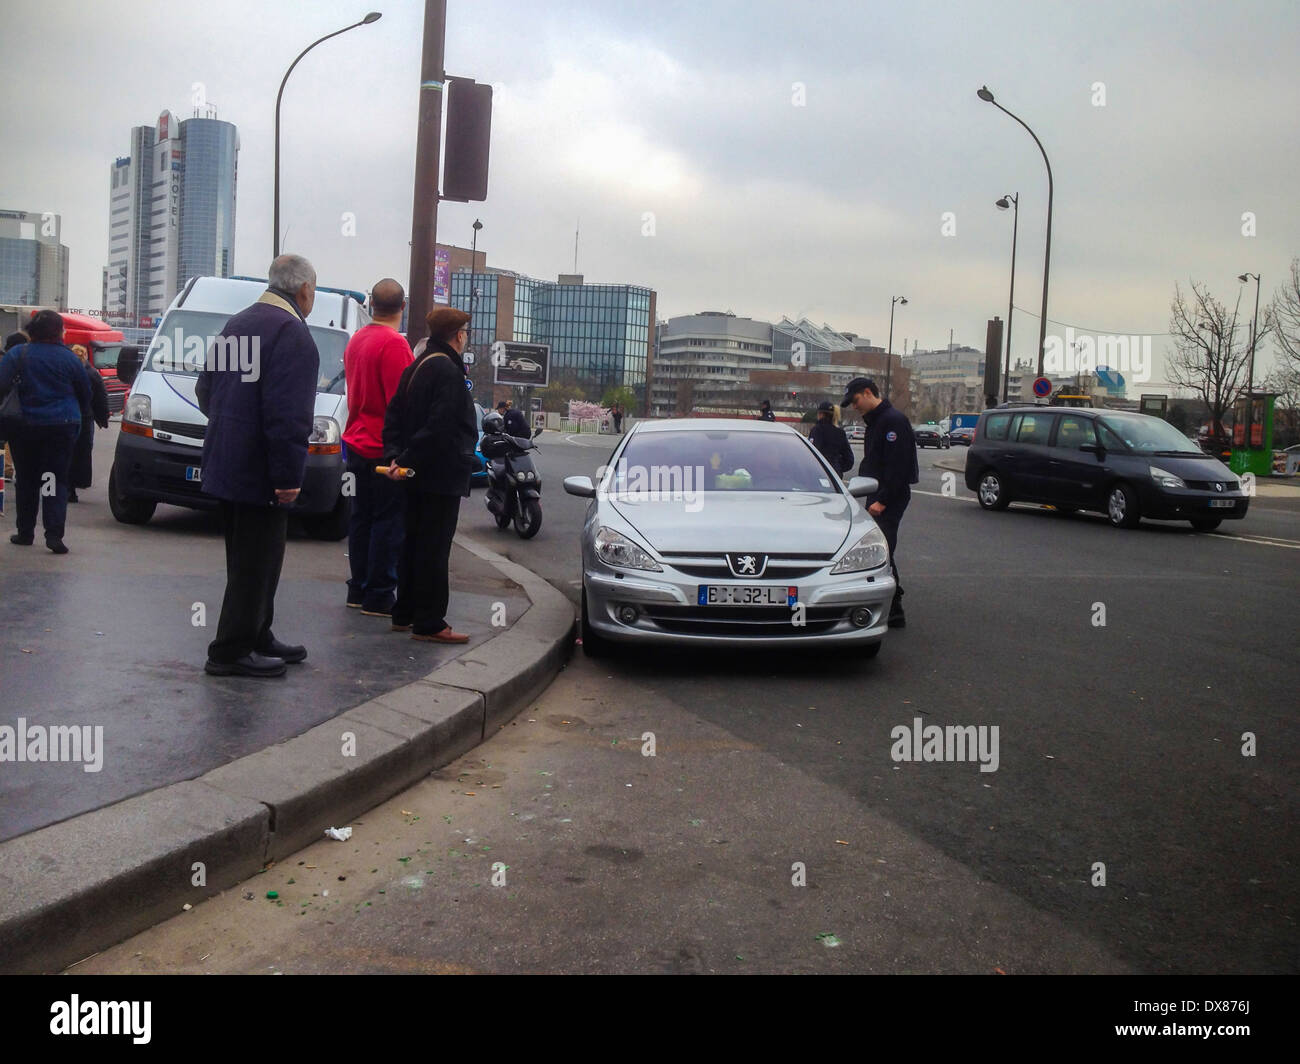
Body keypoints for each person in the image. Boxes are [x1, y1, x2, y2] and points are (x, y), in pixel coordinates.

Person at [195, 254, 320, 678]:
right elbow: (288, 416)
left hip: (227, 461)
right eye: (314, 291)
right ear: (304, 290)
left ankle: (256, 633)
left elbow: (205, 390)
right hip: (262, 469)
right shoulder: (292, 334)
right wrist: (287, 476)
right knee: (257, 562)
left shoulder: (239, 323)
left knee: (250, 558)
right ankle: (229, 650)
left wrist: (232, 432)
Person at [383, 306, 478, 644]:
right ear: (458, 335)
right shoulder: (449, 372)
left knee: (412, 542)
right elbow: (441, 427)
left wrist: (396, 457)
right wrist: (407, 457)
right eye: (465, 331)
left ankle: (404, 612)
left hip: (413, 473)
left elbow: (393, 415)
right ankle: (431, 622)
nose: (466, 337)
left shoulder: (415, 366)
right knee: (434, 548)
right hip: (440, 474)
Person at [342, 278, 413, 616]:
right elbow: (400, 405)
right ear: (403, 307)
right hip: (382, 448)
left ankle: (357, 588)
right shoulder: (396, 345)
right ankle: (380, 593)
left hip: (355, 440)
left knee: (361, 518)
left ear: (371, 304)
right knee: (388, 522)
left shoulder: (356, 340)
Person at [0, 311, 91, 553]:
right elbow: (85, 394)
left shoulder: (18, 354)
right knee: (53, 479)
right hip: (61, 427)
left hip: (24, 427)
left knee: (27, 480)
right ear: (59, 331)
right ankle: (53, 535)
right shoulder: (70, 359)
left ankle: (25, 532)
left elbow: (1, 385)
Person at [841, 377, 917, 628]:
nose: (854, 406)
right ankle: (893, 606)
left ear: (867, 392)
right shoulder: (878, 421)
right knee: (881, 548)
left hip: (888, 496)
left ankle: (894, 608)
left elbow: (898, 467)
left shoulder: (892, 421)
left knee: (882, 551)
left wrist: (882, 500)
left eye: (855, 400)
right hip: (878, 492)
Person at [67, 344, 110, 503]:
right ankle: (77, 484)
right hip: (85, 417)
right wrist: (103, 417)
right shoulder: (92, 373)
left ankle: (66, 487)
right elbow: (101, 396)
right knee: (82, 452)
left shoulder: (67, 371)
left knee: (68, 452)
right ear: (85, 356)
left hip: (68, 416)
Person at [809, 399, 854, 477]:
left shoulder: (817, 430)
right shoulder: (840, 433)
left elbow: (811, 455)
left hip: (819, 474)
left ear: (820, 414)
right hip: (835, 476)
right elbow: (849, 460)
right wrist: (837, 467)